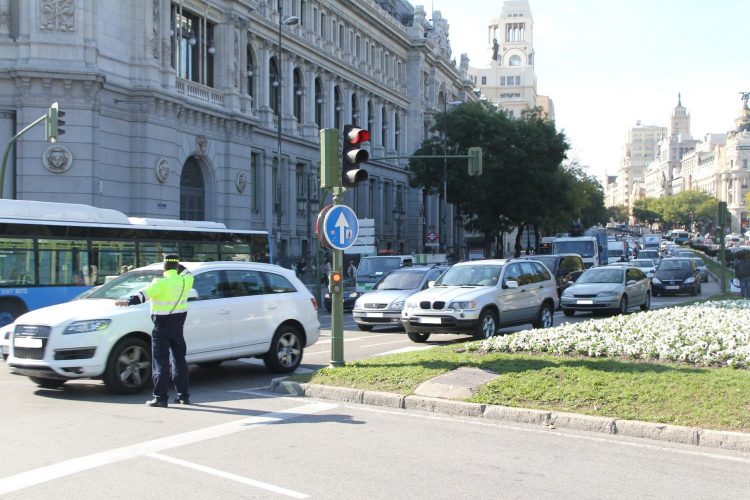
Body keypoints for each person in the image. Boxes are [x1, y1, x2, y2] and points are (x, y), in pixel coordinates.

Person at [115, 254, 194, 407]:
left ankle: (160, 397)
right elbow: (187, 272)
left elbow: (142, 295)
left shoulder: (159, 283)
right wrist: (177, 265)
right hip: (178, 326)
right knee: (179, 360)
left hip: (161, 327)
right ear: (177, 266)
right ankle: (183, 396)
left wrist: (127, 301)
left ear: (164, 267)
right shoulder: (186, 281)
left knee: (161, 362)